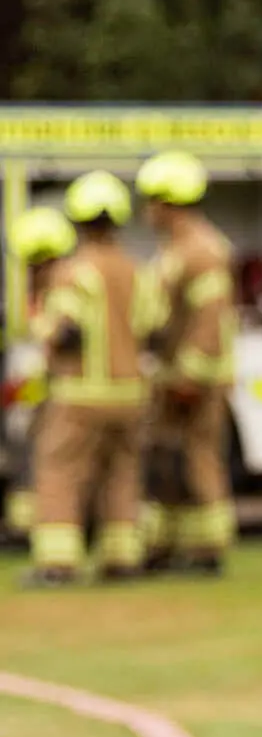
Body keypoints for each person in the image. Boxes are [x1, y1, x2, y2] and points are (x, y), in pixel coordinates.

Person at [24, 172, 156, 588]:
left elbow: (65, 332)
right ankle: (122, 559)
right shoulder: (138, 272)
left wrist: (38, 323)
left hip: (80, 394)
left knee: (60, 472)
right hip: (131, 395)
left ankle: (58, 565)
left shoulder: (72, 272)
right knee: (121, 473)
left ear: (77, 221)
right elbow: (153, 323)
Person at [137, 150, 239, 576]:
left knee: (199, 460)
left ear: (168, 202)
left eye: (151, 201)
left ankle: (208, 551)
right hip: (169, 375)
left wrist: (191, 376)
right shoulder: (178, 249)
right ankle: (164, 547)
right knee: (165, 463)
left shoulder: (202, 251)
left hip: (194, 380)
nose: (146, 212)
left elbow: (209, 319)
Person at [4, 203, 76, 544]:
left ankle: (33, 532)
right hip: (48, 389)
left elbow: (60, 338)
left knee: (48, 463)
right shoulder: (57, 284)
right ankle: (23, 526)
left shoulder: (64, 286)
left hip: (63, 391)